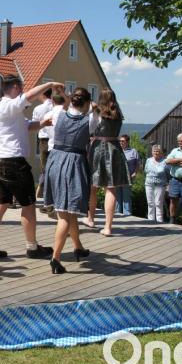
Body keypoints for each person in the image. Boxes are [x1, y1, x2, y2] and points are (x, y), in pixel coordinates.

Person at [0, 76, 62, 259]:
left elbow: (27, 126)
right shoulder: (10, 105)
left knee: (0, 204)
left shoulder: (6, 108)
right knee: (28, 204)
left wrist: (43, 123)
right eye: (21, 88)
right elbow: (29, 96)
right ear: (16, 87)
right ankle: (32, 247)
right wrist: (50, 84)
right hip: (13, 162)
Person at [45, 87, 95, 274]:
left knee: (69, 209)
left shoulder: (58, 114)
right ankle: (55, 258)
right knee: (64, 215)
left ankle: (78, 247)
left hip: (55, 160)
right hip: (73, 163)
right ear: (87, 102)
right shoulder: (89, 120)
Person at [85, 89, 130, 237]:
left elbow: (89, 128)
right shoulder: (118, 113)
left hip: (98, 148)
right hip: (114, 148)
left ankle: (91, 219)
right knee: (111, 188)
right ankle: (108, 227)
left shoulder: (97, 112)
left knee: (93, 186)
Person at [32, 88, 54, 198]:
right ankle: (44, 193)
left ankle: (44, 195)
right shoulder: (55, 107)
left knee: (45, 168)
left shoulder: (38, 108)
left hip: (44, 140)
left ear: (42, 94)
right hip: (56, 140)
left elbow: (34, 124)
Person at [115, 134, 140, 216]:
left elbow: (138, 164)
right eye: (120, 141)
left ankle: (127, 214)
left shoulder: (133, 151)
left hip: (128, 177)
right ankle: (118, 214)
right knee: (117, 197)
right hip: (117, 177)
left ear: (127, 142)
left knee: (126, 197)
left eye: (123, 141)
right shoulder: (116, 150)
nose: (121, 142)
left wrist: (135, 173)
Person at [144, 144, 168, 222]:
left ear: (161, 152)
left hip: (160, 185)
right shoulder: (148, 160)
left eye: (157, 151)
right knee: (150, 203)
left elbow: (168, 173)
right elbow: (145, 171)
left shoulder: (165, 161)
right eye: (154, 151)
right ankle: (150, 220)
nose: (156, 153)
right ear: (152, 152)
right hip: (149, 184)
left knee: (158, 203)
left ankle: (159, 221)